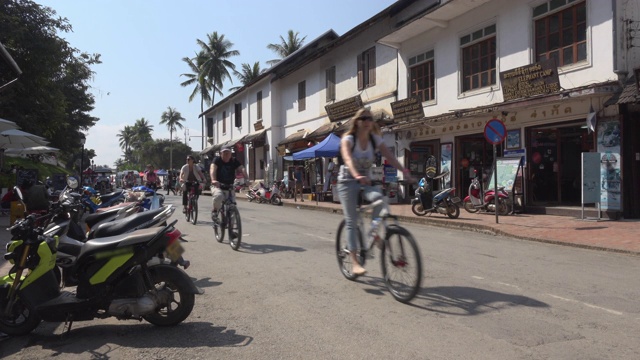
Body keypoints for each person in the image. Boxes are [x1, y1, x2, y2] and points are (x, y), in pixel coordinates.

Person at [337, 108, 413, 276]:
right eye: (363, 118)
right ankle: (355, 262)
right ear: (357, 121)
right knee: (352, 220)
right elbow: (348, 159)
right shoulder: (349, 139)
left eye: (369, 119)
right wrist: (356, 174)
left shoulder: (374, 140)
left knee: (380, 199)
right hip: (347, 182)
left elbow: (391, 158)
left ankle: (372, 233)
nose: (367, 121)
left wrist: (405, 172)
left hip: (366, 181)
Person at [210, 146, 248, 224]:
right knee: (219, 196)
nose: (226, 155)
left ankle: (232, 230)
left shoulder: (234, 160)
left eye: (228, 153)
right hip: (218, 185)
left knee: (232, 207)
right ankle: (214, 211)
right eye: (224, 153)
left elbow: (242, 168)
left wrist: (246, 178)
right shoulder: (217, 160)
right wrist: (213, 179)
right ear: (220, 154)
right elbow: (212, 169)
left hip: (230, 186)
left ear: (231, 154)